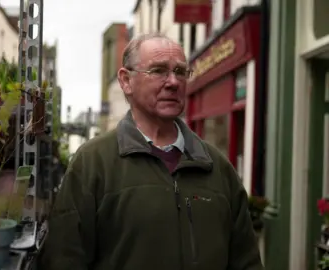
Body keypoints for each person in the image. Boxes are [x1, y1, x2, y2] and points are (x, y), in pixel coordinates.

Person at [39, 33, 263, 270]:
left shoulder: (216, 167)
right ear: (126, 81)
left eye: (180, 71)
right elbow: (64, 259)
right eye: (158, 71)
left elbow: (246, 261)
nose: (173, 82)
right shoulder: (93, 163)